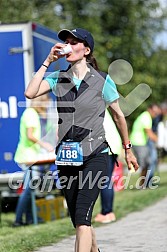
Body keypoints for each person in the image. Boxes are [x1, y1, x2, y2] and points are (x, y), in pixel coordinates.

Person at [25, 28, 139, 252]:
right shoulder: (58, 78)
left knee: (82, 219)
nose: (68, 45)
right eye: (66, 41)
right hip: (67, 156)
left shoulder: (102, 80)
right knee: (79, 217)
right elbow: (30, 93)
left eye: (73, 42)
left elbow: (119, 116)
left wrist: (128, 149)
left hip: (96, 154)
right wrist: (48, 61)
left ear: (86, 50)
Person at [13, 94, 54, 227]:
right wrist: (45, 145)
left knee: (31, 188)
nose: (47, 105)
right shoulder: (30, 113)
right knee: (28, 189)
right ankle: (18, 220)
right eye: (46, 102)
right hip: (27, 156)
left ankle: (30, 218)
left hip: (33, 156)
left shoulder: (37, 114)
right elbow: (30, 135)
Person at [94, 108, 122, 223]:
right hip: (113, 145)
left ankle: (107, 212)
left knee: (104, 181)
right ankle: (108, 212)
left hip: (106, 146)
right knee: (106, 180)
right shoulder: (101, 106)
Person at [130, 104, 159, 188]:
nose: (155, 114)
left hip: (141, 143)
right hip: (138, 143)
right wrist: (159, 141)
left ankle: (144, 184)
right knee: (145, 164)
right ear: (150, 110)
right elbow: (149, 133)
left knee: (147, 163)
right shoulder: (146, 117)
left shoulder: (145, 116)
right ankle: (142, 184)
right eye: (154, 112)